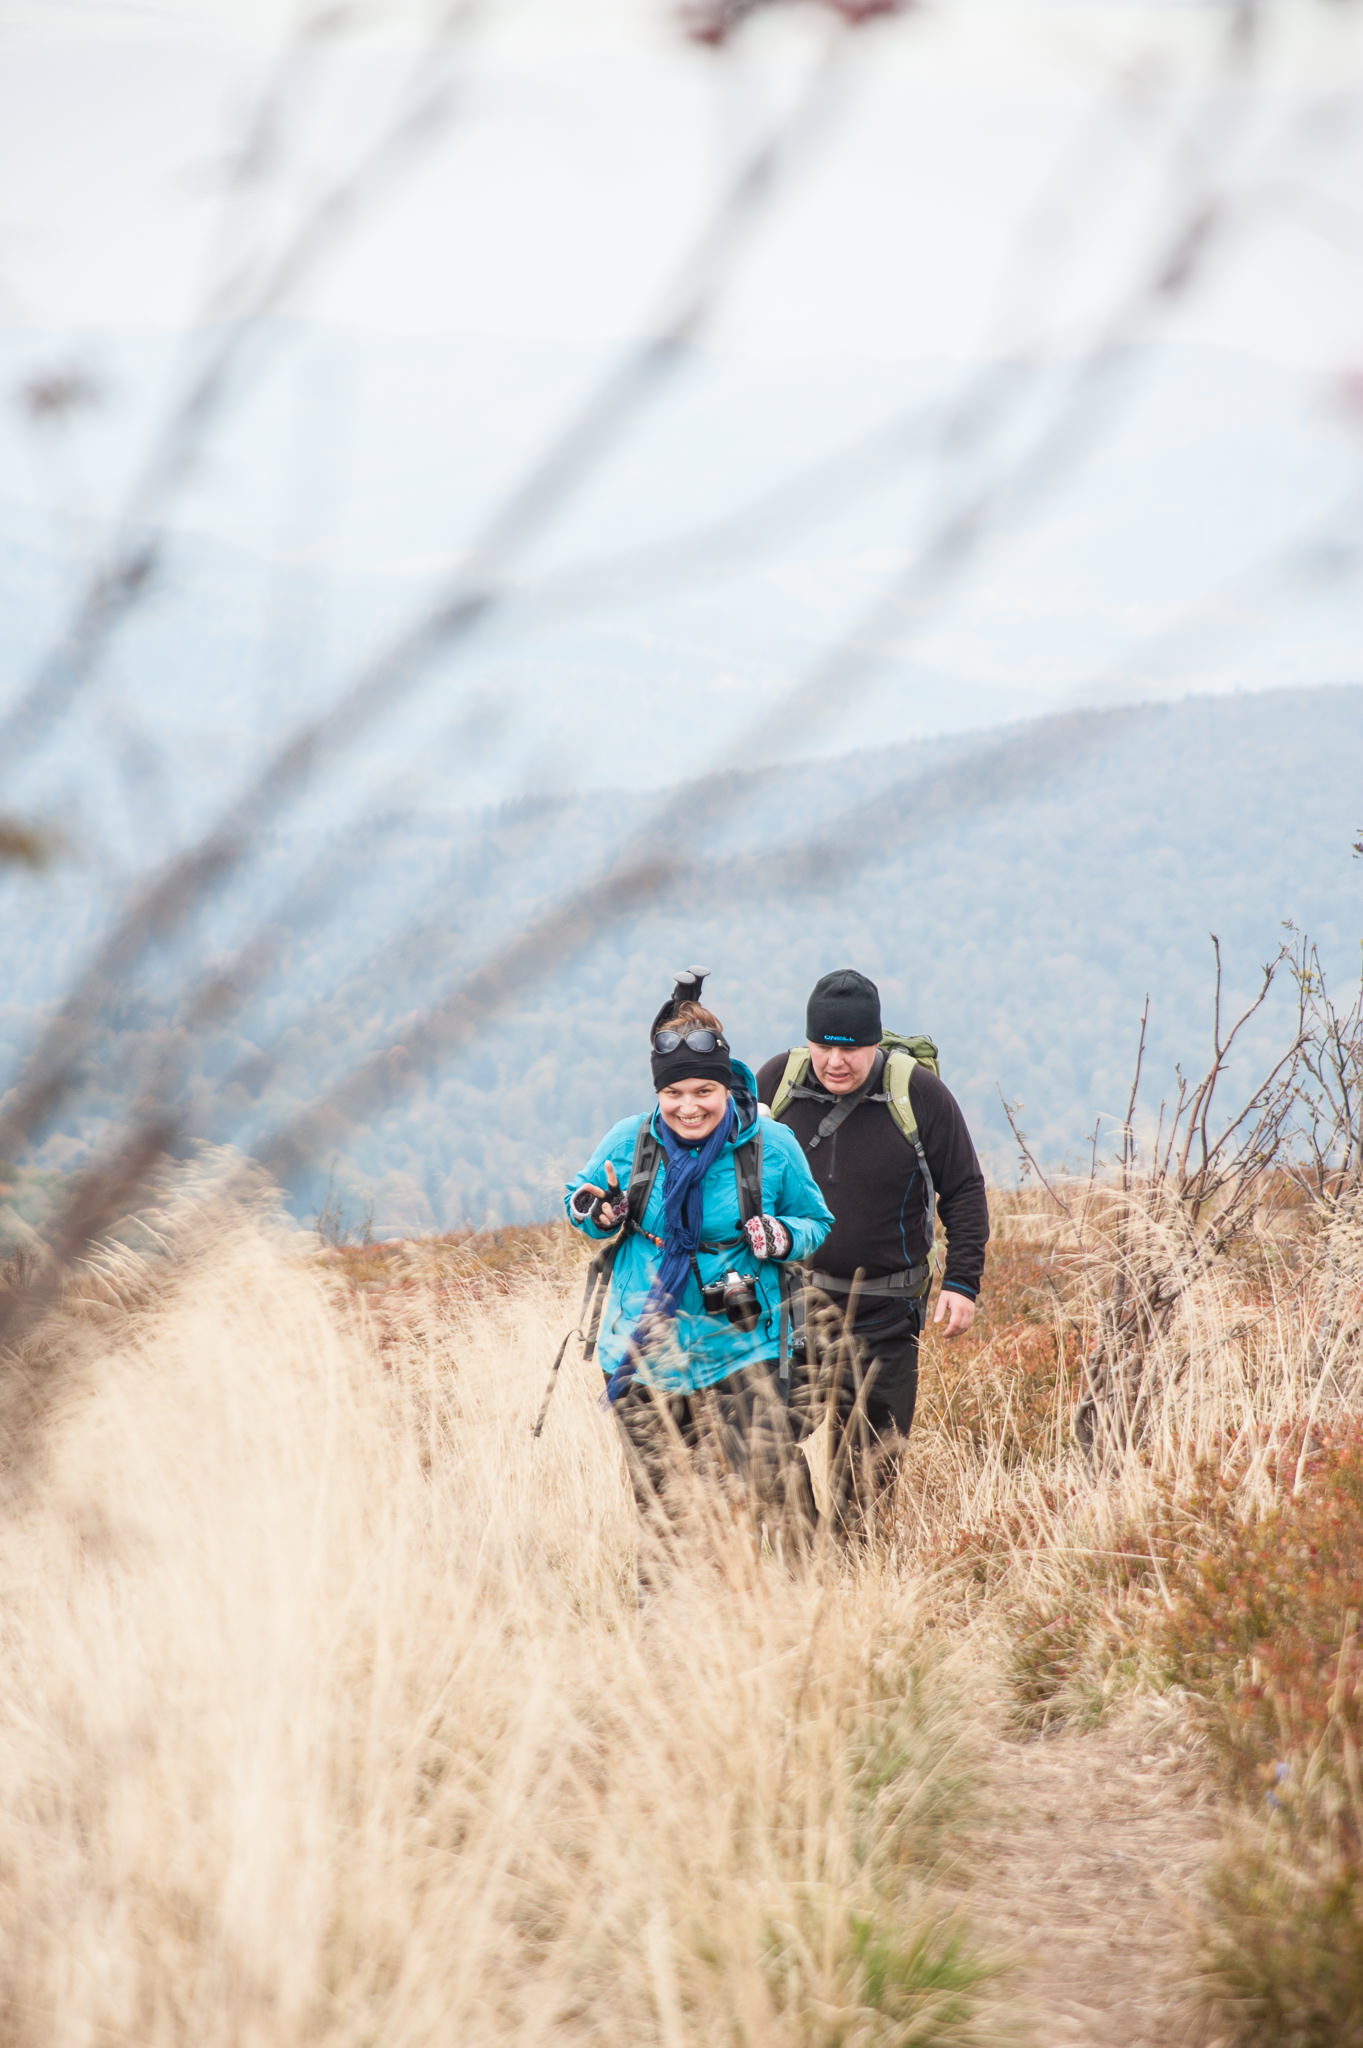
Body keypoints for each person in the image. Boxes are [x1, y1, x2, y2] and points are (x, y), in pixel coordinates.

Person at [565, 970, 833, 1568]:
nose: (689, 1108)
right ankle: (667, 1630)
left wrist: (783, 1236)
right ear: (658, 1094)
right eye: (673, 1095)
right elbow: (579, 1200)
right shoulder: (631, 1140)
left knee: (777, 1486)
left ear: (725, 1088)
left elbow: (818, 1222)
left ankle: (810, 1603)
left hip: (742, 1346)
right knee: (662, 1507)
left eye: (703, 1094)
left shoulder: (770, 1143)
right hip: (644, 1349)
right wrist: (599, 1211)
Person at [756, 968, 989, 1537]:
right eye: (824, 1046)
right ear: (808, 1040)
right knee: (762, 1439)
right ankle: (800, 1560)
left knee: (867, 1478)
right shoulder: (774, 1085)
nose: (836, 1062)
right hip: (793, 1310)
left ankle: (854, 1580)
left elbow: (962, 1188)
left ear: (875, 1042)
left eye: (852, 1048)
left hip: (886, 1316)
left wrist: (962, 1283)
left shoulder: (918, 1094)